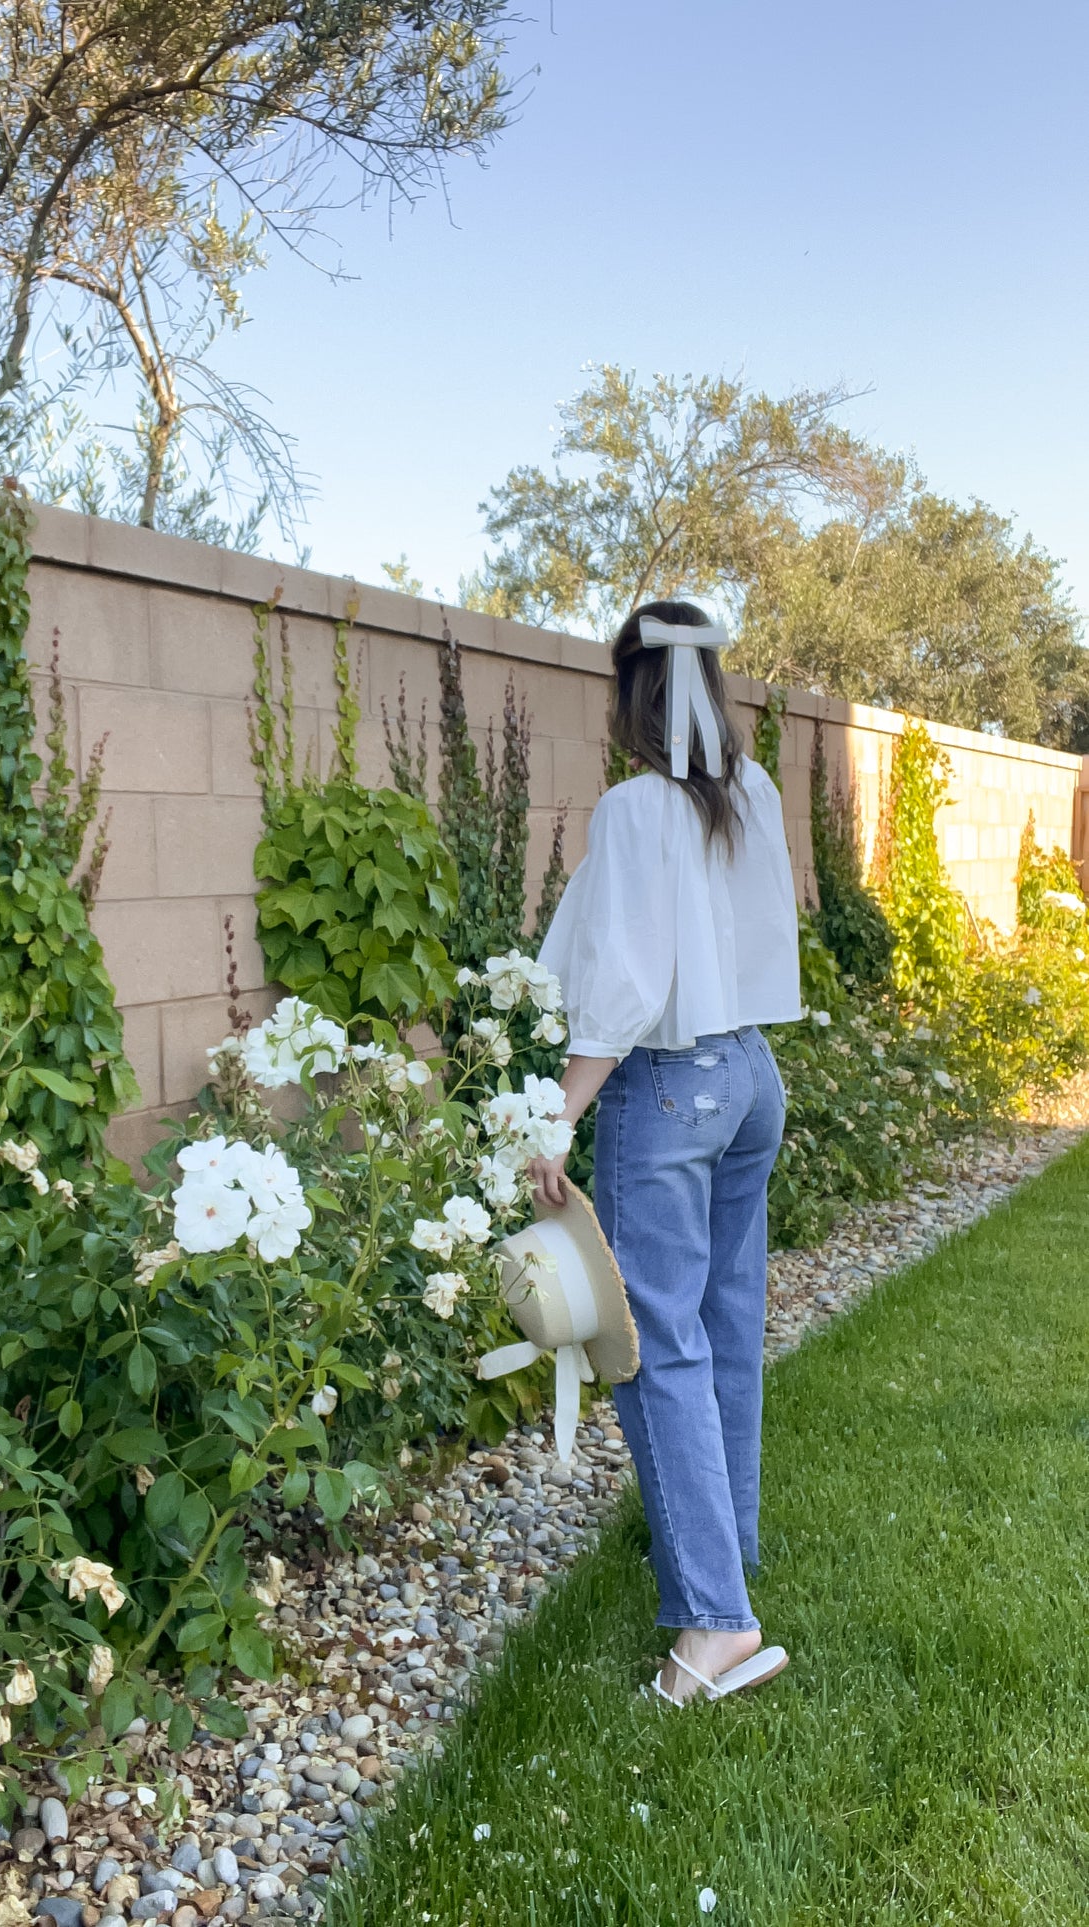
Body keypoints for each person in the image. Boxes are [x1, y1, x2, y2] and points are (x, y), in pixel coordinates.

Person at [529, 599, 802, 1705]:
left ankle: (713, 1619)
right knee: (724, 1323)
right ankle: (725, 1552)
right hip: (749, 1077)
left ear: (630, 693)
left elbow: (628, 984)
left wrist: (557, 1113)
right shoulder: (752, 793)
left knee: (652, 1345)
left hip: (670, 1085)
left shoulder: (637, 809)